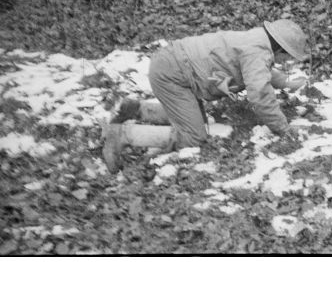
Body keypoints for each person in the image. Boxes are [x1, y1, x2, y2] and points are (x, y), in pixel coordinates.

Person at [102, 19, 308, 172]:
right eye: (285, 54)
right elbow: (260, 95)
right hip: (173, 75)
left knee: (194, 120)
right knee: (193, 136)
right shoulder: (258, 51)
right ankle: (123, 134)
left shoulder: (254, 40)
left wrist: (286, 83)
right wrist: (283, 128)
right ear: (279, 47)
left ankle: (137, 109)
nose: (282, 58)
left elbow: (260, 72)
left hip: (170, 63)